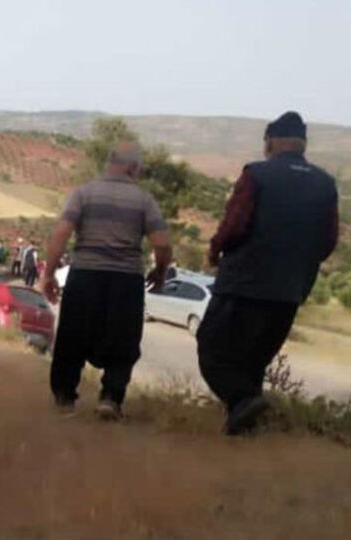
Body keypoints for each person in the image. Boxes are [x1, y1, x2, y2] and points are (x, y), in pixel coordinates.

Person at [197, 112, 340, 436]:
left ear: (271, 141)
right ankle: (243, 428)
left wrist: (215, 250)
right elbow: (328, 239)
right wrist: (299, 264)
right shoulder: (325, 183)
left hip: (243, 285)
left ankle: (242, 400)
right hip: (289, 290)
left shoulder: (257, 174)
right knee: (253, 361)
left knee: (212, 351)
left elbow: (235, 224)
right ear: (302, 143)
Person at [40, 142, 172, 420]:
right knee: (124, 341)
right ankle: (110, 398)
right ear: (132, 168)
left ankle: (64, 399)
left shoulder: (82, 193)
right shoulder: (144, 200)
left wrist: (49, 273)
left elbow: (62, 232)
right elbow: (161, 242)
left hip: (86, 275)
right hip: (127, 280)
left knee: (71, 339)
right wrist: (160, 271)